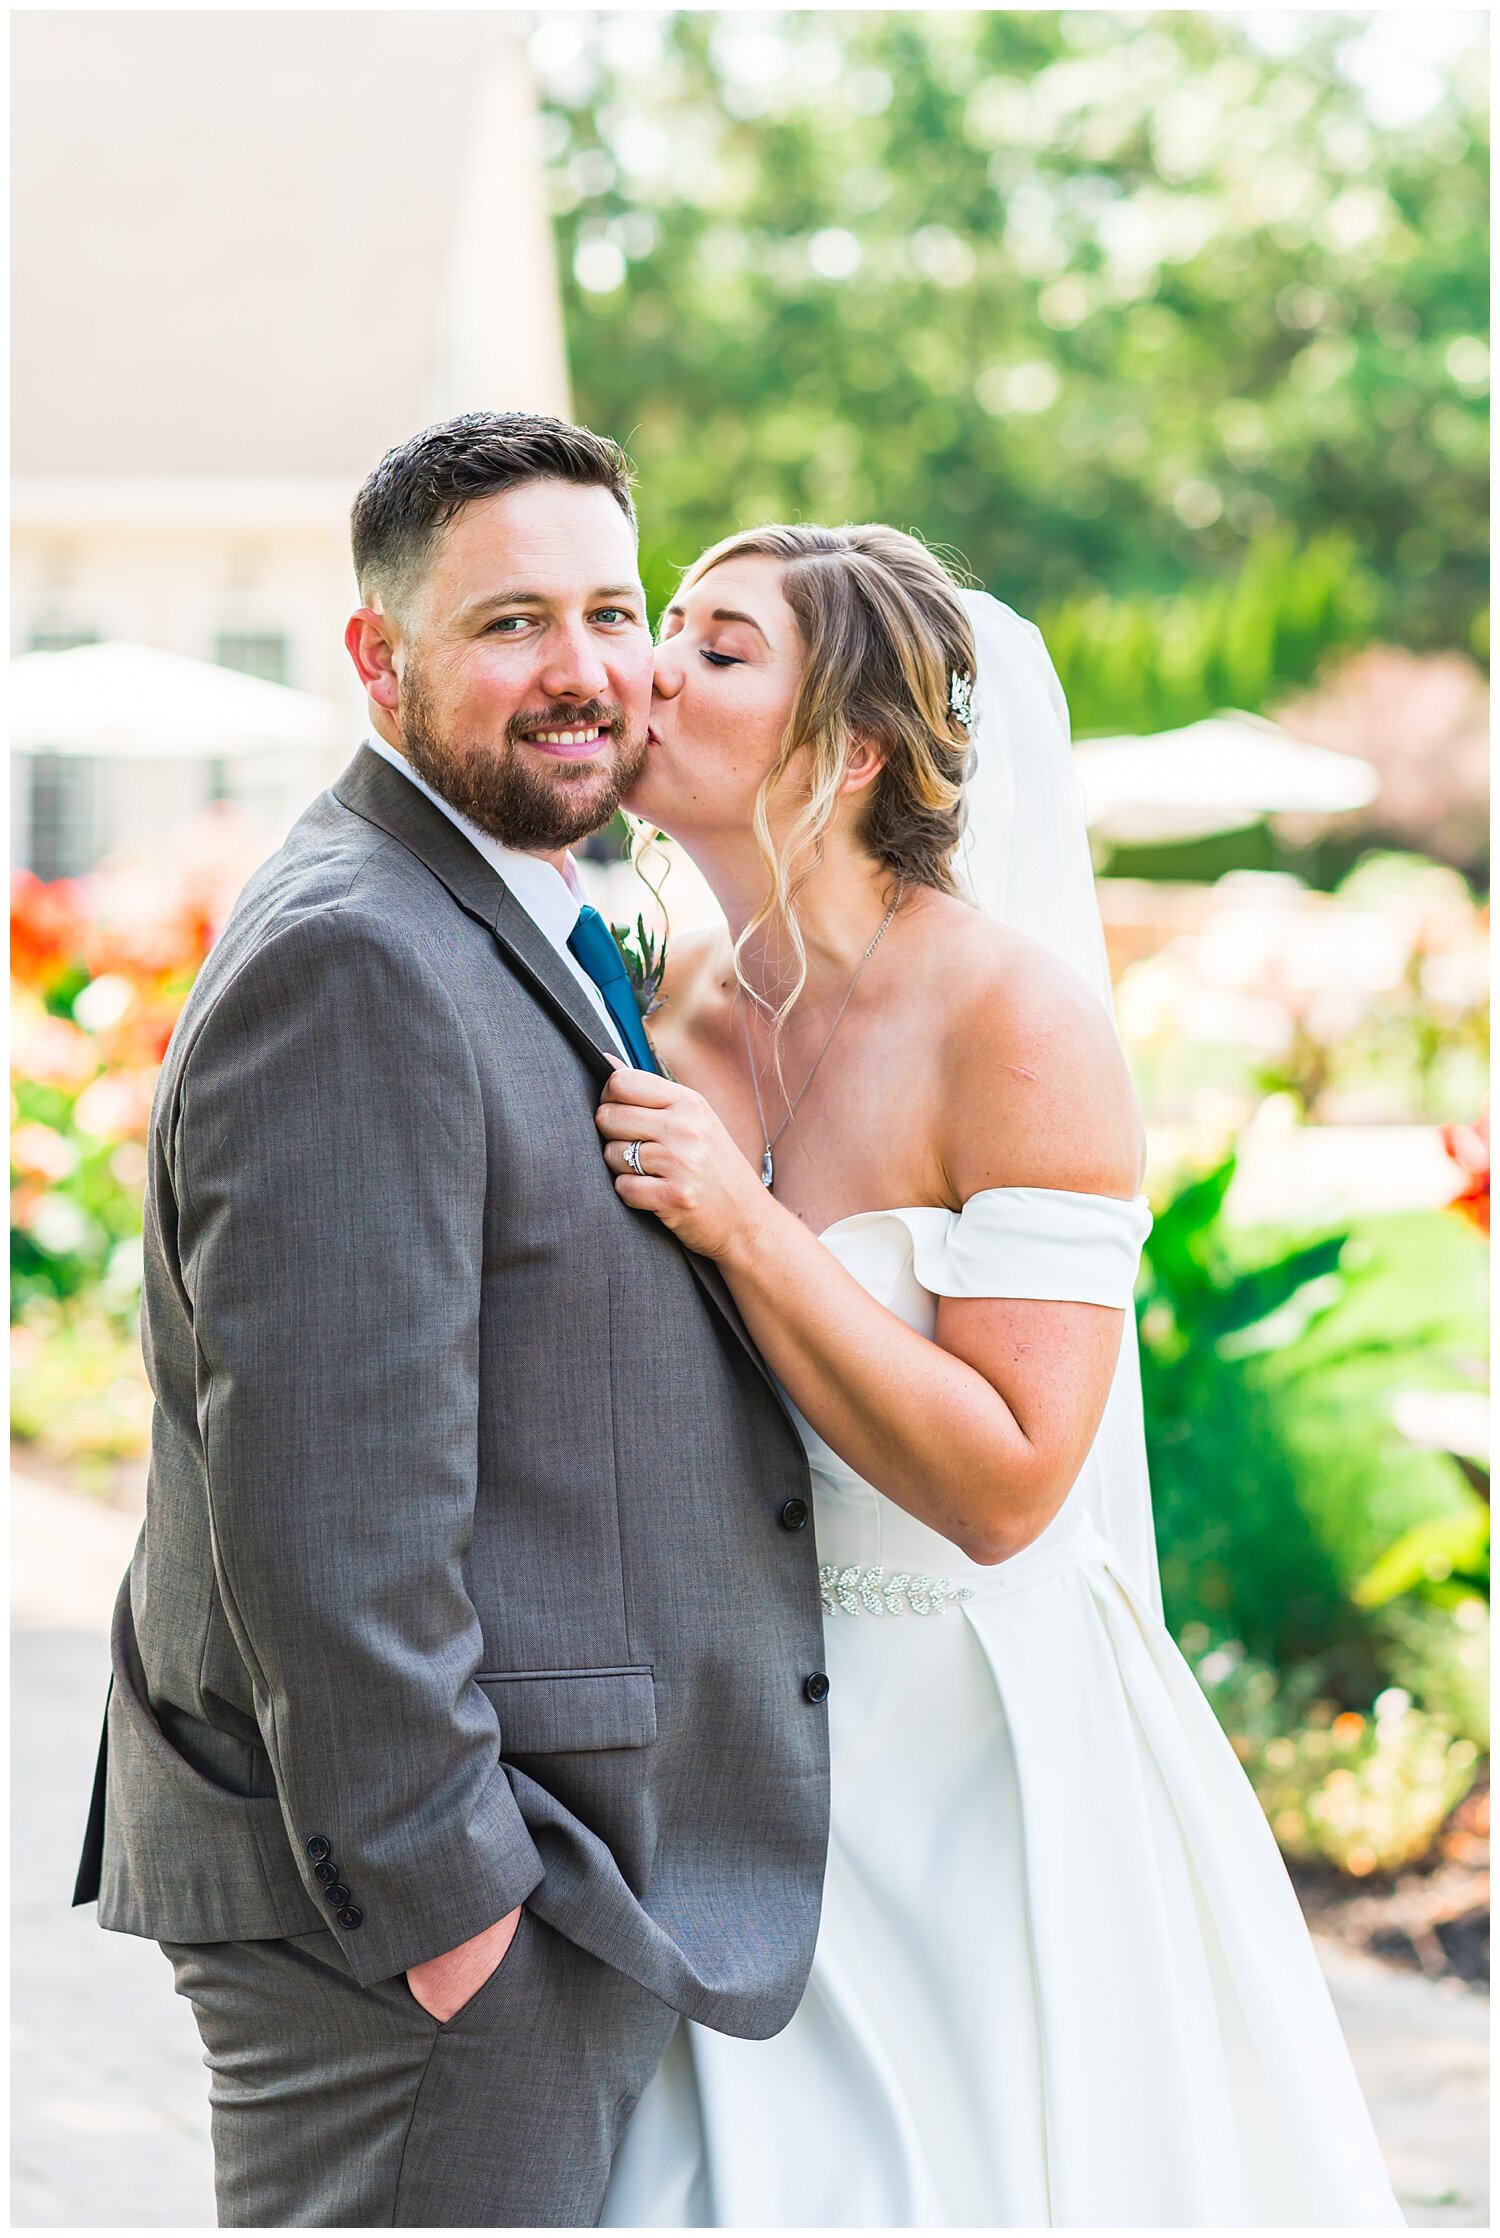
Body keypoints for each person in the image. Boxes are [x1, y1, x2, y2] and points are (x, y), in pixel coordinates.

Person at [596, 523, 1406, 2228]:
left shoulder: (1014, 1024)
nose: (651, 667)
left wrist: (745, 1225)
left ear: (856, 748)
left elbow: (1014, 1479)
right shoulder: (648, 997)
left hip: (962, 1760)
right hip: (708, 1748)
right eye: (666, 624)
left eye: (721, 647)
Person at [71, 416, 830, 2228]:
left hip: (547, 1868)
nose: (582, 672)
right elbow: (324, 1496)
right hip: (423, 1909)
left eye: (609, 610)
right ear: (377, 657)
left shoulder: (520, 914)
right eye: (508, 625)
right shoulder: (358, 956)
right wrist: (447, 1905)